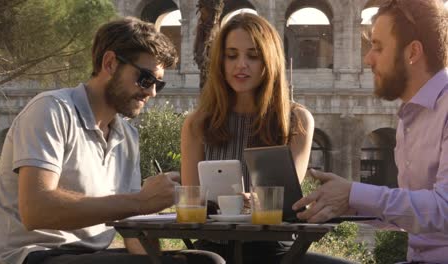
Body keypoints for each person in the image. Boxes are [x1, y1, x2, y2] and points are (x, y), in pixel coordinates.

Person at [0, 17, 225, 264]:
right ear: (110, 63)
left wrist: (156, 254)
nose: (152, 91)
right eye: (146, 79)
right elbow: (36, 210)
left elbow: (130, 225)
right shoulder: (51, 110)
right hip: (31, 255)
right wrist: (140, 201)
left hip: (90, 256)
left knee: (205, 260)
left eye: (158, 84)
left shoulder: (127, 136)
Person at [293, 0, 448, 263]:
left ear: (412, 52)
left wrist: (355, 192)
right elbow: (416, 215)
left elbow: (443, 211)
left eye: (377, 47)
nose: (367, 59)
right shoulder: (411, 115)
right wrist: (349, 203)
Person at [181, 13, 318, 263]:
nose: (240, 65)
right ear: (220, 62)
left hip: (274, 248)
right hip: (212, 247)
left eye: (253, 56)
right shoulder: (196, 123)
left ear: (269, 60)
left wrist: (255, 202)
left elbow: (284, 200)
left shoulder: (297, 120)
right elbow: (192, 202)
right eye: (231, 55)